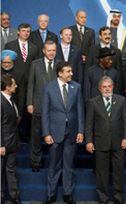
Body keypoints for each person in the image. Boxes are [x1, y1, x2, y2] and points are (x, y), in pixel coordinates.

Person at [42, 62, 84, 204]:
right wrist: (46, 133)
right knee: (54, 165)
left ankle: (67, 194)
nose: (71, 74)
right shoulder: (49, 88)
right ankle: (51, 194)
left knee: (68, 165)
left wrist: (81, 131)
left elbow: (80, 111)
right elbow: (45, 113)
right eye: (68, 71)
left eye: (71, 71)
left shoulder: (76, 87)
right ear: (60, 73)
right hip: (54, 133)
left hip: (71, 132)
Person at [85, 76, 126, 204]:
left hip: (119, 142)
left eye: (109, 86)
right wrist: (89, 141)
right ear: (99, 88)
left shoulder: (121, 100)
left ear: (113, 87)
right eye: (104, 87)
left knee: (119, 172)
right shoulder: (93, 102)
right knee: (101, 173)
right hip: (100, 142)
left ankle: (118, 197)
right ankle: (103, 198)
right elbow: (89, 123)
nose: (107, 89)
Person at [26, 40, 60, 172]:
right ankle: (35, 162)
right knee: (36, 136)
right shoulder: (35, 64)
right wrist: (29, 103)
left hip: (55, 107)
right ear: (44, 51)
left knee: (55, 137)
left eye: (53, 50)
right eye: (49, 50)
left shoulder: (59, 64)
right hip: (38, 105)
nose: (51, 53)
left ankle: (54, 163)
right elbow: (31, 85)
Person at [1, 74, 20, 204]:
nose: (16, 86)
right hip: (3, 144)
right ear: (7, 87)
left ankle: (14, 197)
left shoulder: (10, 99)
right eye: (14, 84)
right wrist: (1, 144)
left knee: (10, 170)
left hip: (12, 142)